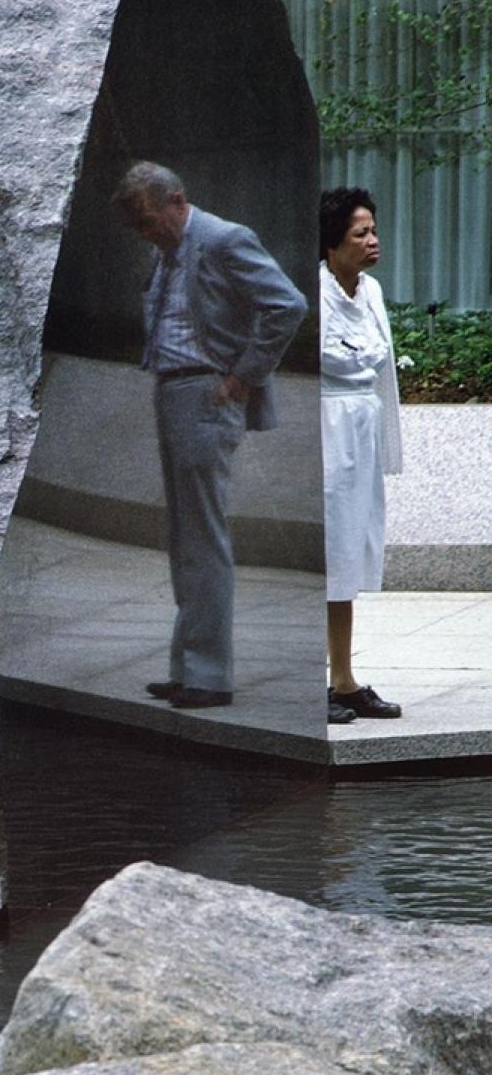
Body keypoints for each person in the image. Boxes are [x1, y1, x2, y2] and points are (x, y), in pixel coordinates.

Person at [115, 162, 308, 710]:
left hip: (205, 393)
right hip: (174, 390)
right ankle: (189, 665)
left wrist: (244, 374)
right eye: (140, 228)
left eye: (152, 221)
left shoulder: (224, 239)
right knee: (186, 537)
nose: (147, 234)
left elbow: (287, 305)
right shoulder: (170, 249)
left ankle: (209, 675)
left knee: (202, 536)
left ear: (177, 200)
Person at [319, 187, 403, 724]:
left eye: (373, 231)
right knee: (324, 556)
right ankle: (312, 682)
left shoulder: (368, 291)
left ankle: (343, 679)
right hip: (326, 431)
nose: (373, 241)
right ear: (331, 245)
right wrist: (364, 360)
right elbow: (339, 359)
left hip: (361, 431)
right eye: (360, 233)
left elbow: (378, 367)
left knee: (349, 556)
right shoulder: (314, 294)